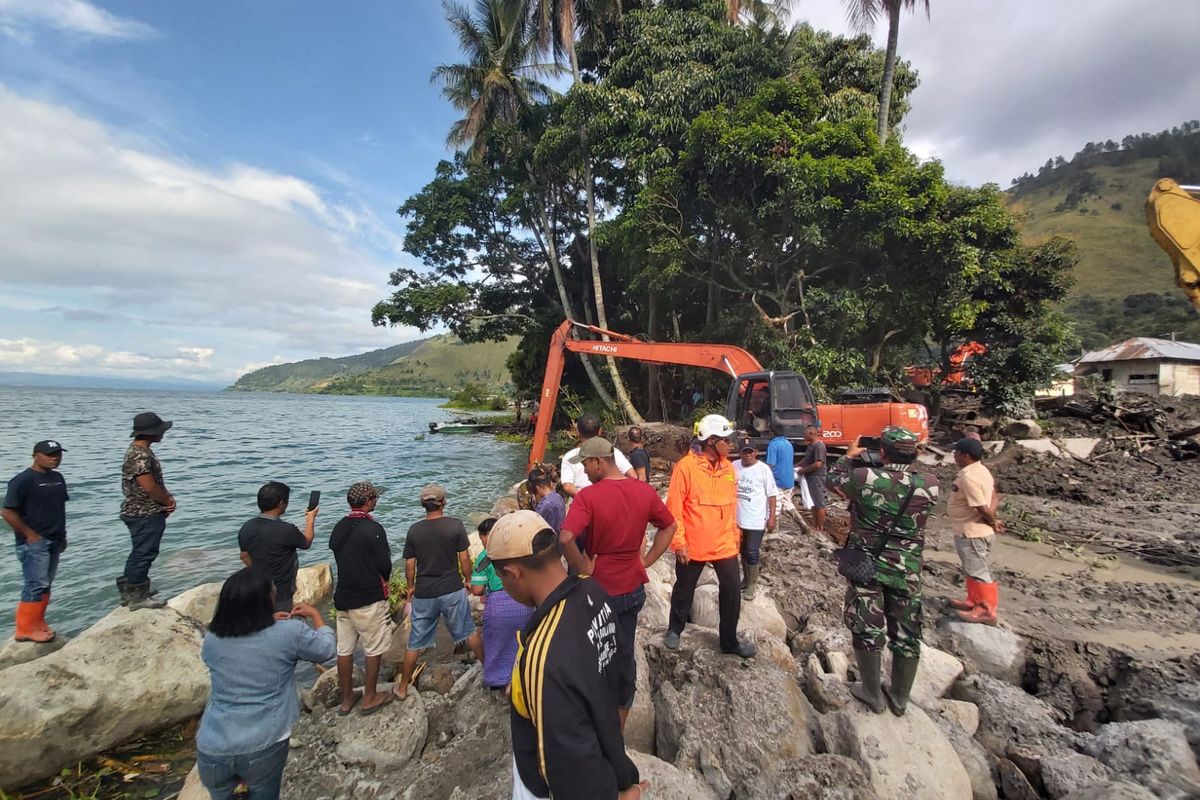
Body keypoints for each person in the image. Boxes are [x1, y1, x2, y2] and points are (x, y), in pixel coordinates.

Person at [484, 510, 647, 800]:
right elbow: (622, 668)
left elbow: (568, 768)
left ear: (512, 573)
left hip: (542, 787)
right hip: (607, 746)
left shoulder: (543, 656)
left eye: (500, 575)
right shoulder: (593, 590)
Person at [559, 437, 676, 727]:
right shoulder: (643, 491)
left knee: (593, 652)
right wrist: (646, 561)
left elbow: (565, 538)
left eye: (586, 464)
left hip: (598, 591)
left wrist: (582, 565)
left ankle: (591, 713)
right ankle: (618, 723)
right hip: (632, 588)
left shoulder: (588, 497)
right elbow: (669, 526)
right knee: (623, 652)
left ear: (599, 462)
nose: (584, 471)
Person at [826, 427, 939, 717]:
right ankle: (900, 698)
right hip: (908, 570)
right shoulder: (929, 483)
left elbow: (833, 481)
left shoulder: (865, 478)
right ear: (915, 452)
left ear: (883, 452)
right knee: (907, 630)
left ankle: (872, 692)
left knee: (866, 625)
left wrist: (848, 457)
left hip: (868, 566)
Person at [196, 568, 335, 800]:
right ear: (263, 602)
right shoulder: (289, 632)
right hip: (262, 744)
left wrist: (267, 621)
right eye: (272, 593)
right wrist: (316, 617)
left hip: (212, 746)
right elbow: (327, 650)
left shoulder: (212, 638)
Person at [663, 414, 756, 658]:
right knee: (684, 588)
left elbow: (731, 505)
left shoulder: (728, 468)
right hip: (693, 543)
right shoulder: (686, 468)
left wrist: (736, 537)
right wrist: (679, 543)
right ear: (712, 441)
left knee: (732, 590)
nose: (731, 444)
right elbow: (674, 509)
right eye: (727, 439)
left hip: (724, 543)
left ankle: (729, 640)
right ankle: (675, 629)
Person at [397, 484, 484, 699]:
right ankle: (489, 669)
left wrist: (410, 587)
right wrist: (468, 579)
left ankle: (402, 687)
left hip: (425, 592)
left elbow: (410, 564)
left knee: (415, 642)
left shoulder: (414, 530)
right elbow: (464, 558)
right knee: (468, 631)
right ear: (443, 502)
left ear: (423, 505)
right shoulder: (454, 526)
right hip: (451, 588)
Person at [329, 481, 395, 715]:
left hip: (343, 596)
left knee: (344, 649)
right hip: (367, 596)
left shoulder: (339, 527)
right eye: (374, 498)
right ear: (368, 501)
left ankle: (347, 699)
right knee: (373, 647)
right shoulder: (373, 529)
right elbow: (384, 565)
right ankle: (370, 696)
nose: (376, 501)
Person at [3, 440, 69, 642]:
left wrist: (63, 535)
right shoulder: (22, 480)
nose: (55, 458)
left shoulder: (57, 478)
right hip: (34, 542)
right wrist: (30, 535)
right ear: (35, 456)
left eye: (58, 454)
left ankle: (38, 622)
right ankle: (24, 628)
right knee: (34, 584)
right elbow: (7, 511)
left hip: (54, 538)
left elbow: (58, 508)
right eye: (49, 454)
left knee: (46, 583)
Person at [119, 411, 175, 610]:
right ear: (150, 433)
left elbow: (155, 482)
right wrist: (165, 501)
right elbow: (149, 486)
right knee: (145, 552)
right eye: (160, 430)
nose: (163, 433)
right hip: (144, 512)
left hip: (140, 510)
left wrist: (167, 497)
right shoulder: (140, 455)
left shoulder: (139, 451)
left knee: (139, 551)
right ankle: (138, 596)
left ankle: (130, 589)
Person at [469, 517, 534, 690]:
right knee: (525, 641)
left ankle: (501, 682)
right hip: (524, 600)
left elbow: (476, 590)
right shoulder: (517, 547)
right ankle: (527, 675)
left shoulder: (484, 556)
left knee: (497, 644)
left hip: (498, 605)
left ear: (485, 535)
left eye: (482, 536)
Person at [946, 437, 1003, 625]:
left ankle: (986, 610)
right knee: (972, 568)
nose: (954, 456)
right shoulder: (982, 470)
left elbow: (980, 506)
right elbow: (994, 496)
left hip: (971, 532)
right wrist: (991, 520)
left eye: (956, 453)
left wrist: (992, 520)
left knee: (978, 570)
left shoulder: (969, 477)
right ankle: (973, 601)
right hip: (976, 530)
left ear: (966, 456)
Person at [238, 482, 317, 613]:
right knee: (280, 619)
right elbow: (306, 542)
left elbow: (244, 556)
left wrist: (259, 573)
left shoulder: (247, 527)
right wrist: (310, 519)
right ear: (281, 503)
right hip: (281, 589)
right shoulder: (286, 530)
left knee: (262, 620)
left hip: (257, 586)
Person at [731, 443, 776, 601]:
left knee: (752, 550)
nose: (748, 455)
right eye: (745, 452)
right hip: (738, 518)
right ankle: (746, 579)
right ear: (740, 453)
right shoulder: (734, 466)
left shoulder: (763, 469)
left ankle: (752, 584)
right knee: (742, 550)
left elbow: (771, 495)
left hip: (757, 518)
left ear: (755, 452)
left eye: (750, 452)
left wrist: (772, 516)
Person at [560, 413, 635, 498]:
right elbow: (633, 476)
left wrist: (586, 500)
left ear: (578, 432)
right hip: (611, 501)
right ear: (600, 431)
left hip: (582, 504)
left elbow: (567, 486)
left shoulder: (570, 456)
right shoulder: (612, 452)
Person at [765, 423, 798, 524]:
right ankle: (803, 525)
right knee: (787, 503)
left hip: (778, 481)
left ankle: (774, 530)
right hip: (789, 480)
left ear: (772, 432)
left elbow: (771, 464)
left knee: (775, 506)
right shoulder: (788, 443)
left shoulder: (773, 444)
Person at [797, 425, 828, 534]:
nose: (803, 436)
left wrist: (803, 470)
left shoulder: (819, 446)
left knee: (819, 502)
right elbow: (806, 459)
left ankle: (820, 527)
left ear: (811, 433)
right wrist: (796, 466)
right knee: (813, 502)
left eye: (805, 434)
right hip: (809, 477)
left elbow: (818, 463)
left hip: (816, 477)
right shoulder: (811, 446)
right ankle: (815, 525)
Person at [528, 467, 565, 534]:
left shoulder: (543, 505)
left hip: (550, 539)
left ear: (538, 488)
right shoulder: (559, 497)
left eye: (535, 493)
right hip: (560, 535)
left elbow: (534, 525)